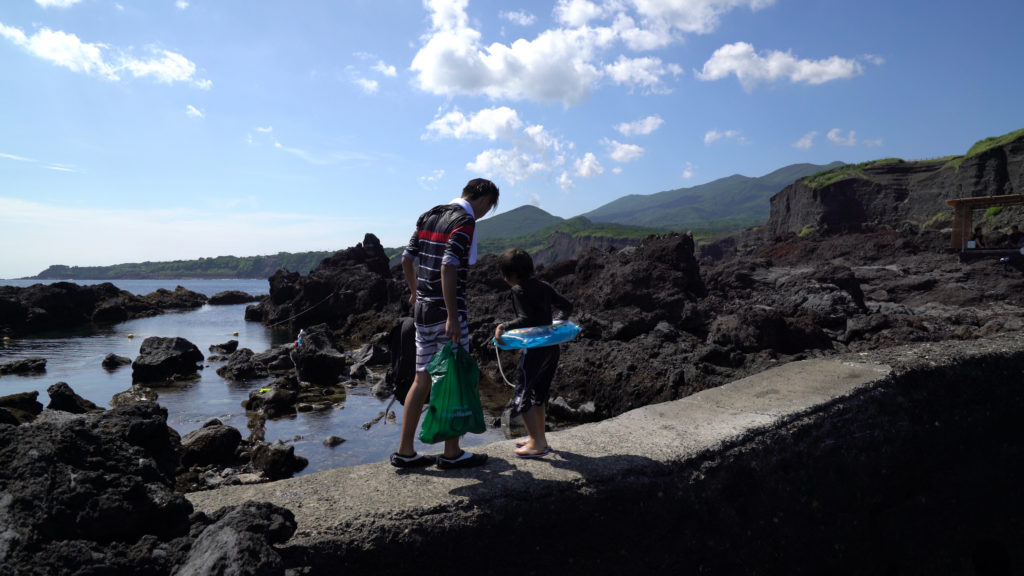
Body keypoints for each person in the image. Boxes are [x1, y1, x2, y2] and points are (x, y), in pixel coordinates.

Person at [390, 178, 499, 470]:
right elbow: (449, 265)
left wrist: (414, 292)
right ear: (486, 200)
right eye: (489, 208)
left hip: (422, 312)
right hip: (446, 313)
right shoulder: (464, 221)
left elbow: (406, 259)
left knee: (421, 378)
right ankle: (452, 453)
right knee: (454, 378)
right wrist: (452, 314)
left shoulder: (429, 215)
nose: (485, 213)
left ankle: (405, 451)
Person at [493, 248, 573, 459]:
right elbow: (566, 306)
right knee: (540, 394)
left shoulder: (518, 290)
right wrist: (558, 323)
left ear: (510, 275)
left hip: (534, 352)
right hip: (551, 348)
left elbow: (526, 320)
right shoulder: (544, 286)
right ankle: (539, 439)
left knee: (521, 395)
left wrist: (503, 327)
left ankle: (537, 443)